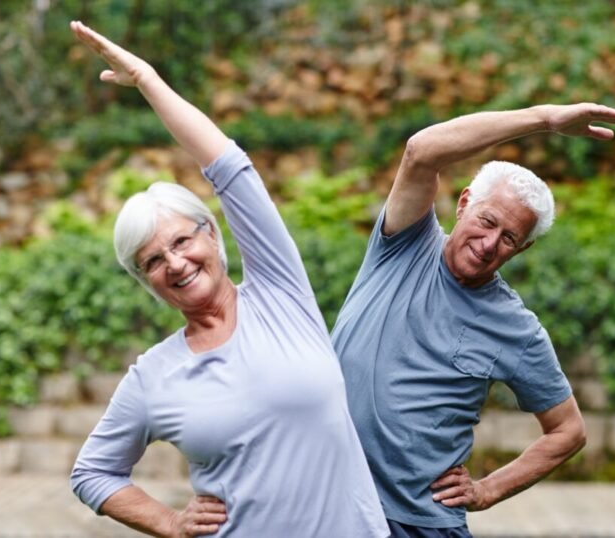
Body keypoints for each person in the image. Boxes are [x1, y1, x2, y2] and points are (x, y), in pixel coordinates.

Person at [67, 21, 389, 538]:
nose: (174, 263)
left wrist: (148, 80)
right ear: (145, 281)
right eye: (151, 261)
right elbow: (92, 473)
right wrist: (169, 522)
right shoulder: (154, 377)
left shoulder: (280, 294)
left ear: (213, 236)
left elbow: (230, 169)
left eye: (181, 242)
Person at [330, 103, 615, 537]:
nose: (488, 244)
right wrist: (544, 119)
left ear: (522, 249)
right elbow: (422, 150)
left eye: (509, 238)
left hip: (417, 523)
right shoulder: (405, 243)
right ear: (464, 204)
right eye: (488, 221)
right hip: (330, 501)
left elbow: (568, 431)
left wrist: (487, 491)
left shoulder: (516, 328)